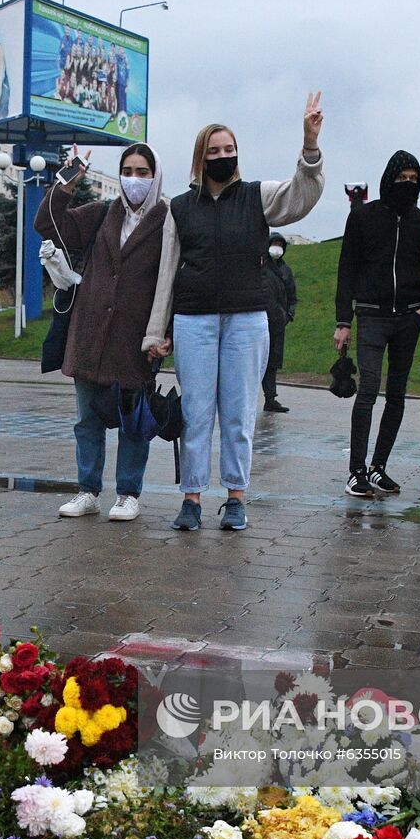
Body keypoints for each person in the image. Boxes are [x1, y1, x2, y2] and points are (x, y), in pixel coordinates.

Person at [143, 93, 325, 531]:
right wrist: (155, 333)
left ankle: (237, 497)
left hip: (247, 319)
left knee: (240, 414)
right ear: (200, 158)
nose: (223, 157)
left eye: (229, 150)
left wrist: (310, 146)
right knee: (197, 413)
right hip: (194, 320)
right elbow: (167, 273)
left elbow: (301, 197)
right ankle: (191, 498)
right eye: (214, 151)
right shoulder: (180, 208)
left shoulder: (257, 196)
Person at [36, 141, 168, 522]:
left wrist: (164, 331)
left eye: (143, 172)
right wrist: (68, 179)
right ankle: (88, 489)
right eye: (128, 171)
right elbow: (47, 223)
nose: (134, 180)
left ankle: (128, 493)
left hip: (135, 339)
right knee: (87, 419)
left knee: (133, 421)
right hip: (90, 333)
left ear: (155, 176)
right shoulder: (100, 214)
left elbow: (172, 280)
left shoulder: (167, 221)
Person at [334, 150, 420, 496]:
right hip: (372, 313)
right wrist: (343, 320)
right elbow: (346, 268)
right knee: (369, 386)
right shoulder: (363, 217)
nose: (407, 185)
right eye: (401, 178)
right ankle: (356, 470)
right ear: (388, 178)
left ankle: (379, 466)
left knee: (396, 393)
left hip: (408, 317)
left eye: (413, 180)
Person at [261, 232, 297, 413]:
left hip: (278, 324)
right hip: (260, 321)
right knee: (256, 362)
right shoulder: (260, 267)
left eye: (279, 244)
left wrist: (288, 315)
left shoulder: (286, 270)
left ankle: (270, 398)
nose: (277, 248)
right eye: (273, 243)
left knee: (272, 362)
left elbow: (292, 296)